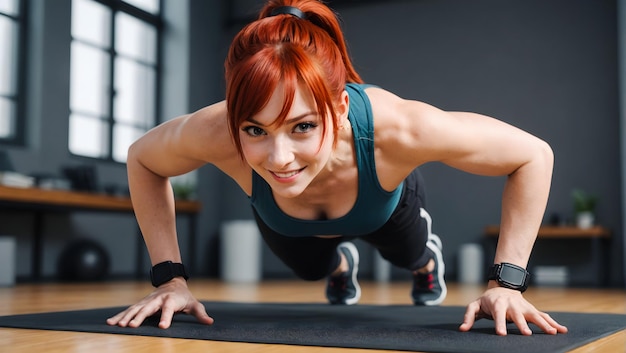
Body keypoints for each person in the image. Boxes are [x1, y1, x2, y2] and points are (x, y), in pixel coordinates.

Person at [106, 0, 568, 337]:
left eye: (303, 126)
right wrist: (170, 279)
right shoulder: (213, 130)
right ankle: (339, 264)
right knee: (311, 270)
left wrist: (507, 284)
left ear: (341, 107)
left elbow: (533, 155)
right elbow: (143, 159)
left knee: (408, 254)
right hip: (286, 218)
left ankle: (426, 261)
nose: (279, 157)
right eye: (254, 131)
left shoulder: (401, 128)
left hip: (383, 207)